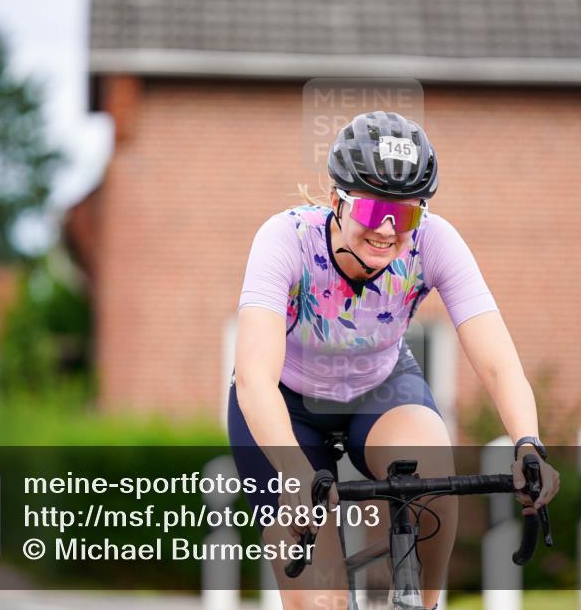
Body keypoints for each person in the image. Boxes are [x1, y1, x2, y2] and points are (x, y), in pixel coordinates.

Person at [228, 110, 560, 610]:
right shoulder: (285, 239)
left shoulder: (434, 241)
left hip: (379, 390)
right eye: (371, 211)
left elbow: (497, 361)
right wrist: (294, 473)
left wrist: (528, 443)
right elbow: (254, 376)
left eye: (405, 214)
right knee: (320, 600)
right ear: (338, 199)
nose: (387, 230)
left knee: (432, 486)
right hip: (284, 401)